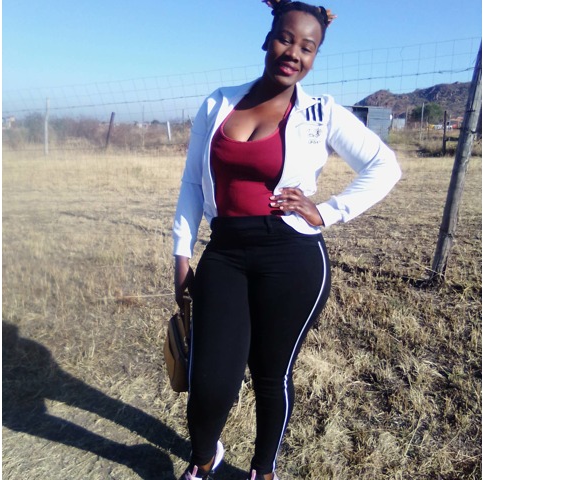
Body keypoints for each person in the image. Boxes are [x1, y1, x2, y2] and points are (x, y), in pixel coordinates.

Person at [172, 1, 402, 479]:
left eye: (307, 47)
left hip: (292, 258)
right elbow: (193, 182)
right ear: (267, 39)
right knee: (210, 379)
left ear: (315, 57)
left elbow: (384, 166)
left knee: (271, 374)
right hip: (225, 253)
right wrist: (181, 251)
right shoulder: (218, 103)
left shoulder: (322, 112)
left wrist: (327, 211)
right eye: (285, 38)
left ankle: (263, 469)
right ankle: (204, 457)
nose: (294, 52)